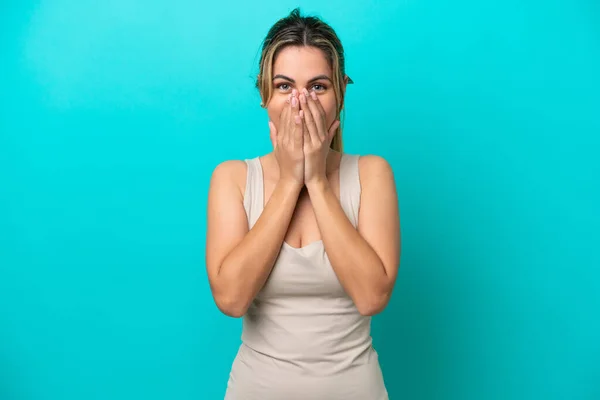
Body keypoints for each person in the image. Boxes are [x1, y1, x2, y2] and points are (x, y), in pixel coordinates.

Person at [205, 7, 401, 400]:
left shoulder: (372, 174)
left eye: (317, 87)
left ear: (340, 93)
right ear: (264, 95)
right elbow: (231, 298)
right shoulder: (232, 179)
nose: (300, 103)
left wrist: (315, 179)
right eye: (284, 86)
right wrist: (291, 180)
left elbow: (371, 296)